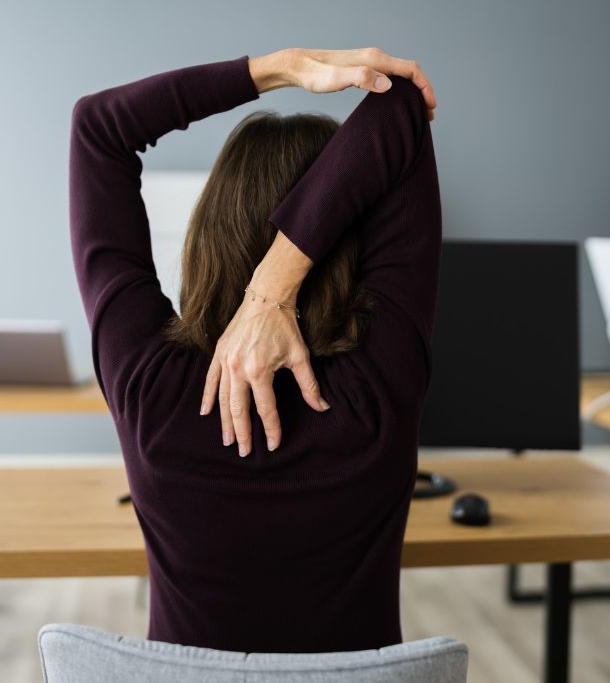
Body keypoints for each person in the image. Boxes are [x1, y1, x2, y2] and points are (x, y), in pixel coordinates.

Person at [69, 47, 441, 654]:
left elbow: (98, 128)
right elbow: (399, 104)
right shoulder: (381, 387)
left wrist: (281, 67)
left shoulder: (148, 386)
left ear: (208, 232)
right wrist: (275, 286)